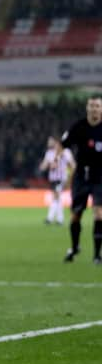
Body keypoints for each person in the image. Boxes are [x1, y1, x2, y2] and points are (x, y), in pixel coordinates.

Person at [61, 95, 102, 264]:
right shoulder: (79, 127)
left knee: (99, 214)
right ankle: (75, 247)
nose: (94, 109)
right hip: (81, 177)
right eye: (91, 106)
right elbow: (63, 145)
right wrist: (57, 159)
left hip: (100, 177)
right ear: (87, 108)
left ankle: (97, 255)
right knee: (76, 215)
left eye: (97, 106)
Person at [39, 136, 74, 225]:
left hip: (62, 178)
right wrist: (42, 167)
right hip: (53, 179)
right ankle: (59, 219)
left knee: (56, 197)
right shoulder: (49, 153)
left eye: (50, 141)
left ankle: (50, 218)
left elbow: (72, 164)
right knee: (57, 198)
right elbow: (45, 164)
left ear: (56, 142)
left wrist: (70, 175)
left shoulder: (66, 152)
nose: (48, 143)